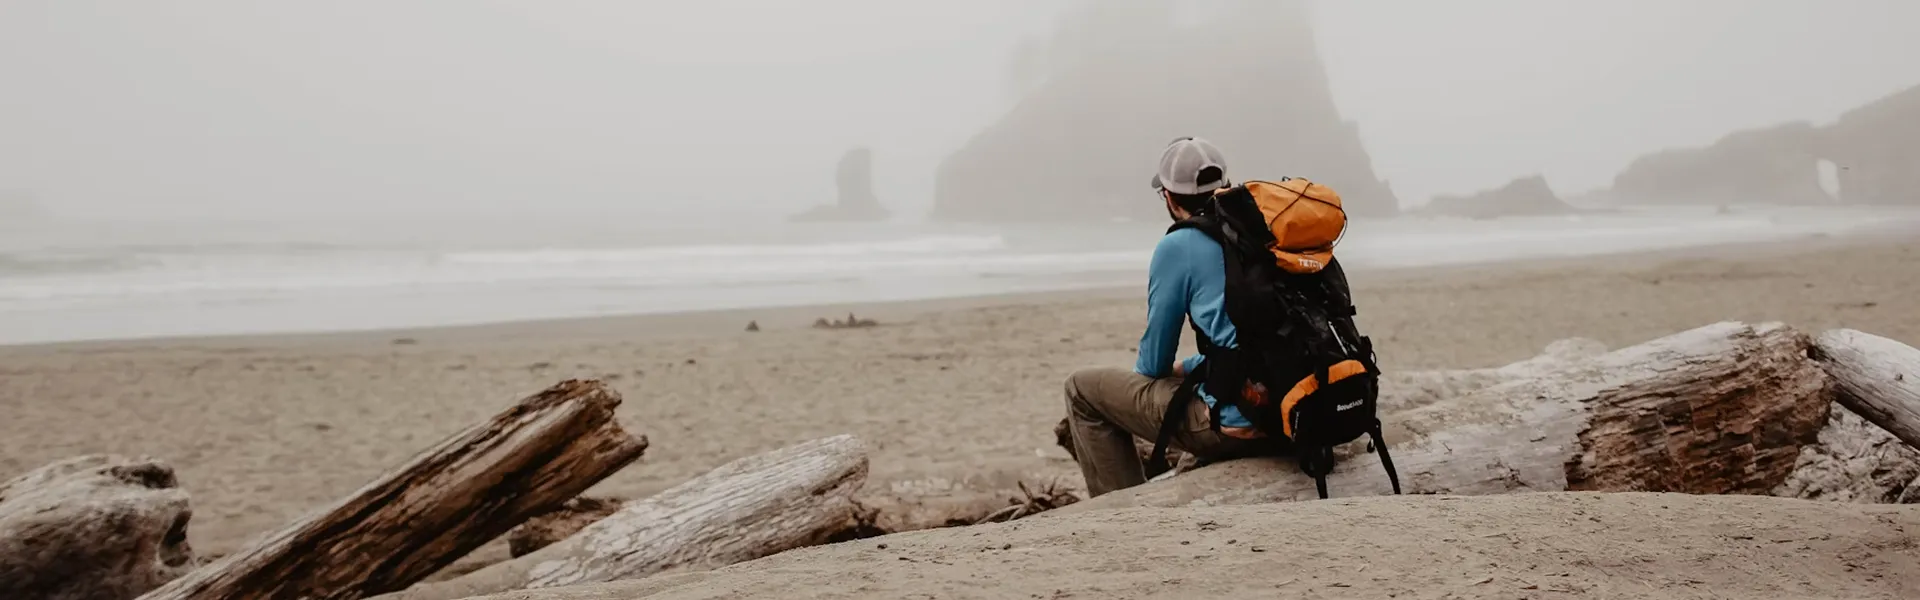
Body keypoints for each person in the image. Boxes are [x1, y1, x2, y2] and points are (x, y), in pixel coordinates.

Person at [1060, 136, 1270, 497]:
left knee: (1081, 390)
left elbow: (1152, 364)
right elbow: (1257, 343)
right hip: (1298, 408)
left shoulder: (1179, 246)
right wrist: (1189, 368)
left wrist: (1165, 374)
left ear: (1170, 197)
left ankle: (1122, 510)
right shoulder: (1261, 231)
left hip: (1242, 423)